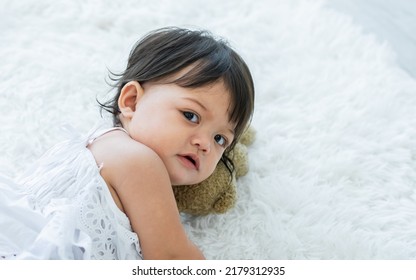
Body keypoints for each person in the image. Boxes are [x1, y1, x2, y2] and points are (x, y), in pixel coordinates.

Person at [0, 27, 255, 260]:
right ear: (132, 101)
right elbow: (172, 260)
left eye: (220, 138)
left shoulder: (102, 147)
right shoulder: (139, 161)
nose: (205, 144)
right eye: (191, 116)